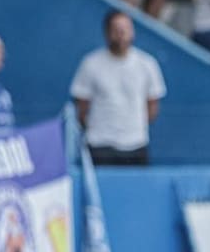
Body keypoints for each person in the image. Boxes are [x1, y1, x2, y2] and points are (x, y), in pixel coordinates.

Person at [70, 10, 167, 165]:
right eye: (116, 29)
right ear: (107, 33)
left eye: (125, 29)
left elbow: (152, 106)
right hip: (100, 144)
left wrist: (133, 129)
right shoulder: (91, 64)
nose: (121, 34)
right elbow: (81, 108)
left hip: (136, 144)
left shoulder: (147, 64)